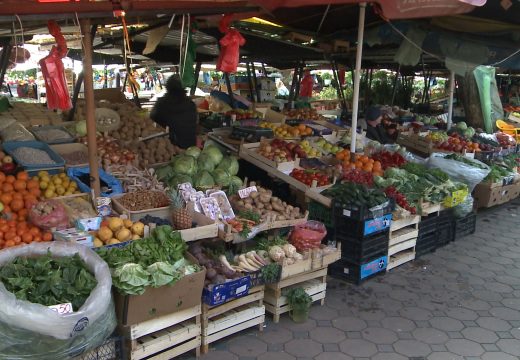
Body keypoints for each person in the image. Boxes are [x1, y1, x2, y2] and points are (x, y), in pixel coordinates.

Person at [150, 75, 197, 149]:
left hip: (172, 147)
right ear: (183, 88)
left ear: (167, 87)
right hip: (191, 146)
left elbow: (152, 120)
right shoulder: (191, 104)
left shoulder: (162, 103)